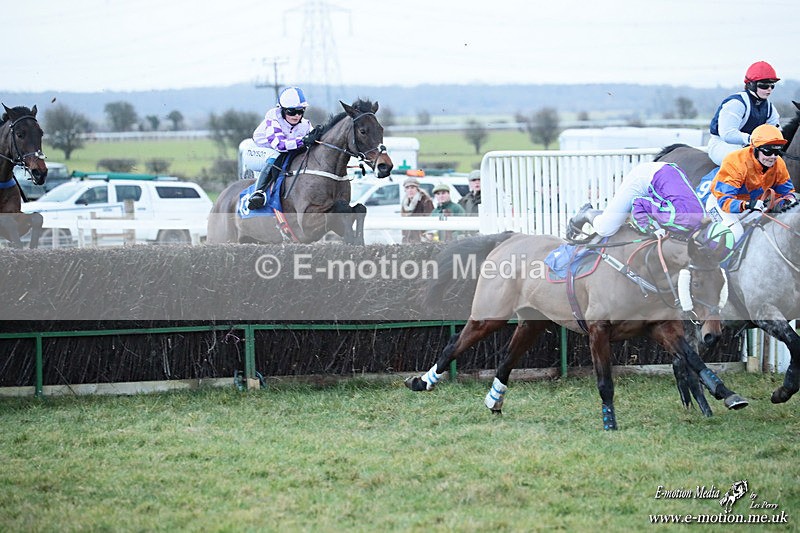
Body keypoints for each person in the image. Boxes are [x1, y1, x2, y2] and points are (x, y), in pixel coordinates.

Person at [568, 162, 706, 241]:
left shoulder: (705, 218)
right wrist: (649, 228)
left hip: (667, 175)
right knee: (606, 228)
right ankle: (586, 213)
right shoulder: (680, 219)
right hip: (643, 178)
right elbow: (639, 203)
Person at [706, 124, 797, 241]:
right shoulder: (735, 162)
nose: (773, 157)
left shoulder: (779, 163)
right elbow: (725, 201)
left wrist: (789, 200)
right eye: (768, 152)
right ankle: (712, 258)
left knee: (767, 231)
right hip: (720, 205)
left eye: (777, 151)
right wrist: (748, 204)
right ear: (755, 148)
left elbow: (787, 192)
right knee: (736, 233)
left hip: (753, 206)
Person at [247, 87, 318, 210]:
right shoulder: (273, 120)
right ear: (282, 110)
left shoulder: (305, 124)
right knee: (275, 156)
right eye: (291, 111)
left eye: (300, 111)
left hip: (282, 153)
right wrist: (303, 141)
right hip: (258, 152)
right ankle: (259, 193)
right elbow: (279, 145)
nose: (296, 116)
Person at [708, 61, 781, 166]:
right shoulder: (736, 103)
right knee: (743, 161)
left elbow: (775, 131)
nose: (769, 89)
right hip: (722, 144)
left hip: (752, 146)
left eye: (772, 85)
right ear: (751, 85)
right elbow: (727, 134)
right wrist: (753, 139)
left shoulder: (770, 107)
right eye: (764, 85)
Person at [400, 176, 434, 243]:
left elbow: (430, 220)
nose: (410, 190)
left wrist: (427, 236)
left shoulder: (425, 201)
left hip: (422, 238)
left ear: (417, 189)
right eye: (407, 188)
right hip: (408, 238)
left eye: (412, 187)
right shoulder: (405, 203)